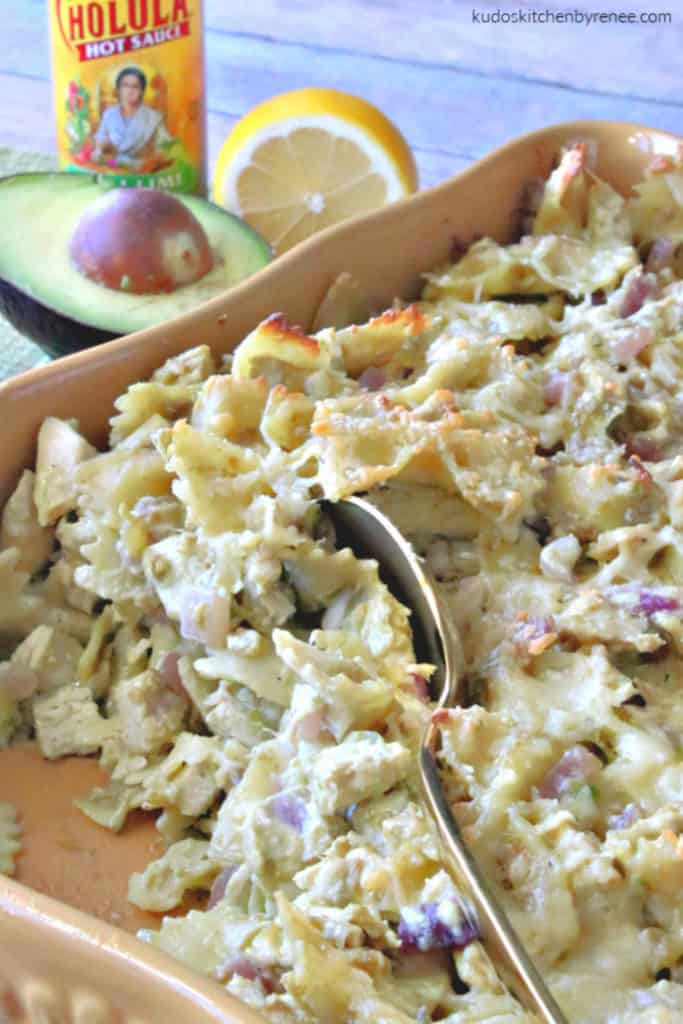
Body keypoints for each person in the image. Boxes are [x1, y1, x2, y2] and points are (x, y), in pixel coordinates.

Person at [92, 67, 172, 167]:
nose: (130, 91)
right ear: (118, 90)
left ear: (142, 91)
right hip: (113, 167)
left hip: (142, 169)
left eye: (135, 86)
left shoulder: (153, 117)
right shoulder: (109, 114)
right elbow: (101, 137)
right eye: (125, 85)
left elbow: (165, 146)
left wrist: (153, 162)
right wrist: (100, 149)